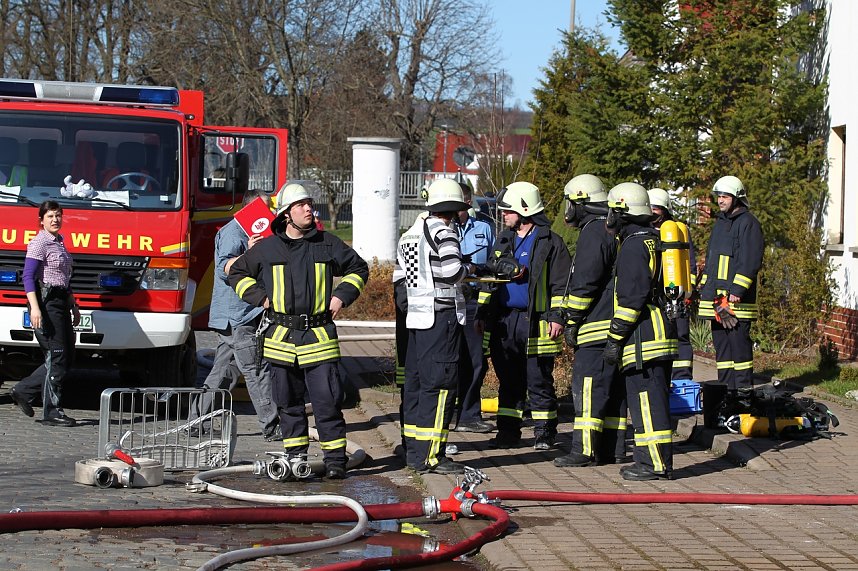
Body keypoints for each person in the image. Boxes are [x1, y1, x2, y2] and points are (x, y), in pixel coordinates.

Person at [228, 182, 369, 480]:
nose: (309, 209)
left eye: (310, 204)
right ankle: (296, 459)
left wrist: (341, 296)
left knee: (327, 402)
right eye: (301, 205)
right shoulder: (267, 248)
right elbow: (237, 273)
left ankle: (335, 461)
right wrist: (260, 298)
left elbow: (358, 268)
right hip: (280, 339)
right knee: (288, 404)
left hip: (319, 337)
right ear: (286, 214)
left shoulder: (327, 243)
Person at [475, 181, 571, 451]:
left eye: (508, 210)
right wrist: (482, 313)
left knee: (539, 380)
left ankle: (544, 433)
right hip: (505, 321)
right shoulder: (504, 239)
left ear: (524, 210)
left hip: (537, 322)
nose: (503, 215)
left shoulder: (550, 242)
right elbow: (490, 280)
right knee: (508, 380)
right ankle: (508, 433)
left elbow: (561, 284)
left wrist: (557, 316)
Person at [397, 178, 475, 474]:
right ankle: (432, 456)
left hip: (417, 321)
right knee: (440, 388)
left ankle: (414, 453)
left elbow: (400, 278)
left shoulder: (411, 234)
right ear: (453, 207)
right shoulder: (444, 231)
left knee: (417, 387)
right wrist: (473, 269)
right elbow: (453, 272)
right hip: (441, 319)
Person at [189, 188, 281, 441]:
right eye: (265, 207)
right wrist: (250, 252)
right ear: (250, 208)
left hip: (242, 313)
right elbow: (223, 269)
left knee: (224, 370)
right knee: (256, 369)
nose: (270, 212)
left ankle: (196, 420)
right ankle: (271, 425)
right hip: (238, 316)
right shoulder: (233, 232)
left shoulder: (257, 232)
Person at [602, 183, 678, 480]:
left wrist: (614, 338)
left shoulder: (633, 246)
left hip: (644, 337)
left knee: (647, 403)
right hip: (657, 332)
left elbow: (631, 300)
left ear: (622, 213)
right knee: (651, 401)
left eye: (612, 210)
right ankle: (652, 462)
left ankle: (653, 464)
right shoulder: (650, 239)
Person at [554, 174, 627, 468]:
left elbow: (585, 281)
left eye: (570, 203)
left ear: (580, 203)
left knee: (587, 388)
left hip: (596, 326)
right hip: (615, 325)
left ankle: (582, 450)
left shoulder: (594, 231)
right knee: (613, 391)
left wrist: (571, 319)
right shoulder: (610, 228)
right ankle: (612, 449)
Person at [10, 200, 81, 426]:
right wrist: (35, 308)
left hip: (61, 303)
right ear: (41, 220)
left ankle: (23, 390)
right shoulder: (39, 242)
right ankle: (52, 412)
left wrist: (73, 305)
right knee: (57, 355)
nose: (55, 220)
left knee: (67, 356)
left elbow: (64, 278)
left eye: (58, 215)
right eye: (50, 216)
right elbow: (28, 277)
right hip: (46, 304)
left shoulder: (59, 242)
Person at [697, 176, 764, 390]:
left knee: (739, 348)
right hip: (716, 299)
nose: (720, 200)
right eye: (719, 196)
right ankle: (725, 390)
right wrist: (704, 288)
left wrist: (738, 289)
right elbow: (712, 260)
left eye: (725, 196)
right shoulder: (720, 224)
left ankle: (742, 392)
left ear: (737, 198)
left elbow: (750, 260)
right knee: (722, 349)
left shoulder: (748, 223)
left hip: (736, 301)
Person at [453, 181, 496, 433]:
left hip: (473, 303)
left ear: (468, 203)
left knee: (475, 360)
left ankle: (469, 416)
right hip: (447, 302)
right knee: (448, 360)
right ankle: (446, 414)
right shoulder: (439, 230)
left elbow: (492, 266)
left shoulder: (484, 229)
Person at [648, 188, 696, 383]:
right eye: (649, 208)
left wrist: (686, 291)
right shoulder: (644, 231)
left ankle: (682, 380)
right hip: (654, 296)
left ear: (665, 209)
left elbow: (689, 263)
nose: (652, 212)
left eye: (656, 208)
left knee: (681, 336)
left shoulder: (678, 231)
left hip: (677, 293)